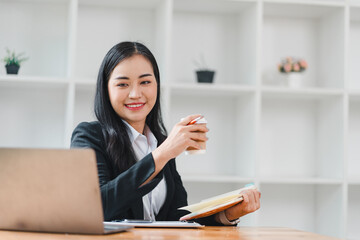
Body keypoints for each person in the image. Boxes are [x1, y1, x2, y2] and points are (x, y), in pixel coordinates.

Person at [71, 41, 261, 226]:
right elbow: (95, 207)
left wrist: (227, 214)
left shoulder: (159, 141)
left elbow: (178, 216)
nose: (135, 94)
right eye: (122, 84)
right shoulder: (89, 135)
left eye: (145, 82)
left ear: (156, 85)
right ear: (106, 89)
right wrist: (163, 153)